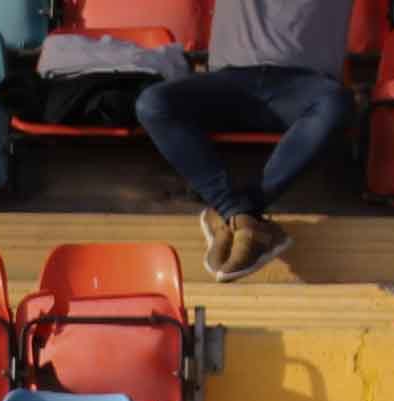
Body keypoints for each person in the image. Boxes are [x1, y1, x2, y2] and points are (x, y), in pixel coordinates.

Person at [132, 0, 352, 282]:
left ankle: (234, 211)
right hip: (230, 82)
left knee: (338, 105)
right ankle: (240, 215)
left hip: (304, 87)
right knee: (153, 103)